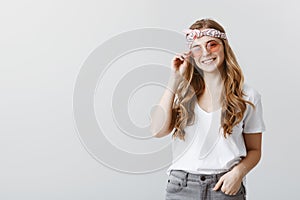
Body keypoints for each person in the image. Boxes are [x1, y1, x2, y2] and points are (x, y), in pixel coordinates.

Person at [150, 18, 266, 200]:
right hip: (181, 188)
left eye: (212, 45)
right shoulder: (183, 92)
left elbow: (255, 150)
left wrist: (237, 174)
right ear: (192, 55)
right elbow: (157, 131)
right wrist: (174, 80)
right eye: (197, 47)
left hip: (225, 188)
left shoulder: (247, 96)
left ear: (224, 47)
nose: (205, 52)